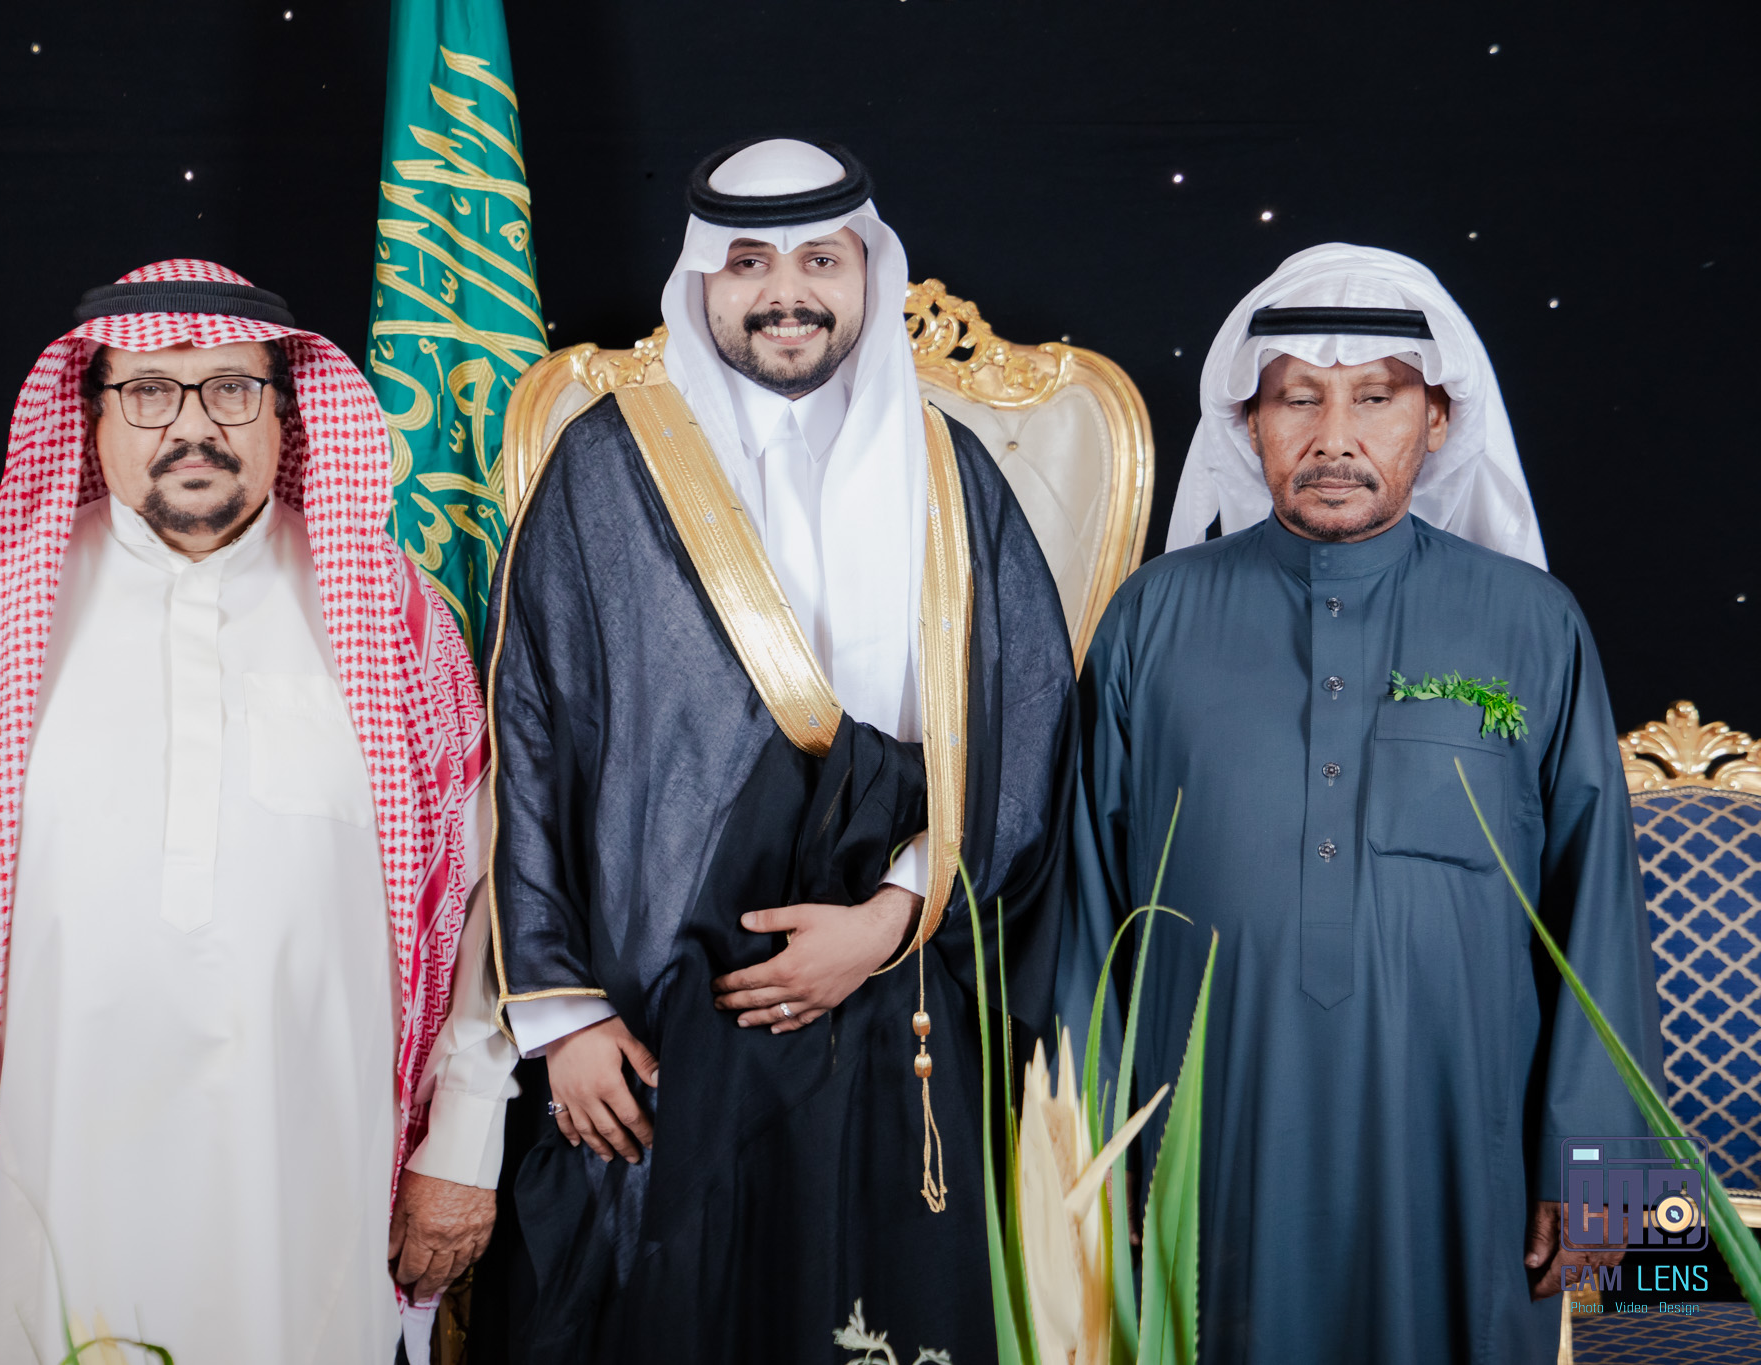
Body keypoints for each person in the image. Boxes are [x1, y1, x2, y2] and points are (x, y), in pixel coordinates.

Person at [0, 260, 519, 1365]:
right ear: (91, 419)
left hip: (316, 1165)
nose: (193, 427)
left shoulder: (393, 618)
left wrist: (464, 1141)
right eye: (147, 392)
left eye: (231, 389)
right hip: (57, 1160)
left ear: (286, 416)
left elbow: (485, 904)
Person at [486, 139, 1083, 1363]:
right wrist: (564, 1017)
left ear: (868, 273)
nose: (784, 292)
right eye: (747, 262)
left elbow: (1027, 733)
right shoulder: (603, 466)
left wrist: (889, 919)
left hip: (896, 988)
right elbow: (529, 738)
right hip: (656, 1008)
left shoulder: (952, 476)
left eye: (820, 260)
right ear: (701, 279)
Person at [1081, 243, 1663, 1363]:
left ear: (1437, 420)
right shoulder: (1149, 619)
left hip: (1465, 1151)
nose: (1333, 437)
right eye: (1297, 398)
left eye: (1376, 398)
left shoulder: (1535, 621)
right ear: (1248, 421)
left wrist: (1613, 1193)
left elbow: (1599, 911)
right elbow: (1081, 910)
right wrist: (1078, 1161)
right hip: (1202, 1146)